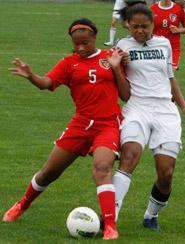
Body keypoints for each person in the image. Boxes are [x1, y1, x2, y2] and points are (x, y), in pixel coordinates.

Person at [2, 18, 125, 240]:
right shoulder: (69, 63)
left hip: (107, 124)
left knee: (103, 166)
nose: (80, 48)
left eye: (84, 43)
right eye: (76, 44)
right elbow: (46, 84)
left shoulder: (112, 57)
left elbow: (126, 93)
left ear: (94, 37)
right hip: (80, 124)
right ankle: (22, 205)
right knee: (50, 171)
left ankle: (109, 226)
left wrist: (118, 66)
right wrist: (31, 76)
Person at [106, 4, 185, 230]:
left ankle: (150, 215)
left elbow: (170, 79)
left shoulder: (164, 44)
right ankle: (110, 219)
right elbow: (124, 93)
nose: (139, 31)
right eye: (135, 27)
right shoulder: (122, 46)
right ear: (128, 25)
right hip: (137, 107)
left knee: (166, 173)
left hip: (166, 109)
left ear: (152, 24)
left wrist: (184, 107)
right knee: (129, 157)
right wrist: (118, 68)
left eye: (144, 26)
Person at [151, 0, 185, 70]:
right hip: (156, 48)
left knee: (170, 72)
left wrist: (178, 30)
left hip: (173, 48)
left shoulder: (178, 8)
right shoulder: (153, 8)